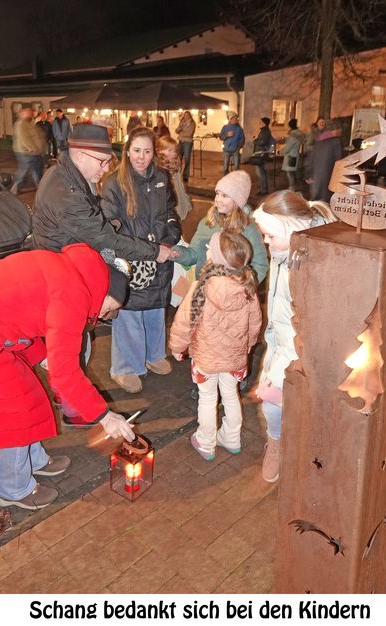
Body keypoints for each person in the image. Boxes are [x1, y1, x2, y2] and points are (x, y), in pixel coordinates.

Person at [0, 243, 135, 510]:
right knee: (16, 411)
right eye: (109, 308)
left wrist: (44, 355)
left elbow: (23, 310)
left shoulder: (73, 272)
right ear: (106, 291)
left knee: (29, 396)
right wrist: (105, 416)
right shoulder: (74, 294)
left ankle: (33, 460)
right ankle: (14, 489)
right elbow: (66, 376)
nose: (102, 316)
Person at [252, 191, 336, 482]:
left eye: (270, 235)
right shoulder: (284, 252)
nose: (266, 241)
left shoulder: (311, 265)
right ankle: (277, 441)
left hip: (301, 353)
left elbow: (306, 330)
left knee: (276, 403)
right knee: (274, 403)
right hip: (281, 346)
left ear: (295, 228)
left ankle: (284, 444)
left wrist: (278, 372)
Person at [101, 126, 182, 394]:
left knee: (156, 307)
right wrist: (132, 251)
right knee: (130, 311)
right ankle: (125, 367)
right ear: (127, 151)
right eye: (136, 150)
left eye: (147, 151)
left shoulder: (161, 177)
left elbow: (170, 211)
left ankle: (153, 354)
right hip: (131, 257)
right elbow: (109, 225)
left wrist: (170, 236)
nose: (141, 157)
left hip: (159, 254)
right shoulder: (114, 182)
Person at [169, 231, 262, 460]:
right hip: (235, 358)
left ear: (219, 258)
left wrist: (177, 347)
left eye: (211, 248)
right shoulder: (248, 287)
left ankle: (206, 441)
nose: (207, 249)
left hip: (206, 359)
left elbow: (185, 321)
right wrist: (248, 346)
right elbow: (255, 324)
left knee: (208, 398)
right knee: (231, 395)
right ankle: (231, 438)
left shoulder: (202, 286)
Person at [33, 123, 173, 264]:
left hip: (66, 257)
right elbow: (104, 240)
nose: (106, 169)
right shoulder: (65, 193)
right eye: (102, 161)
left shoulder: (64, 174)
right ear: (81, 156)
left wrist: (111, 224)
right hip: (61, 265)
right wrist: (155, 252)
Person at [173, 170, 268, 285]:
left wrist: (241, 287)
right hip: (205, 286)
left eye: (224, 196)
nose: (218, 199)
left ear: (238, 200)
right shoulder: (207, 223)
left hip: (233, 290)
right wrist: (177, 253)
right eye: (217, 194)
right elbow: (194, 254)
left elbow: (260, 265)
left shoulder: (249, 230)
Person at [11, 104, 46, 195]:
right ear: (22, 113)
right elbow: (24, 138)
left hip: (33, 152)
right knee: (27, 170)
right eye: (28, 112)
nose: (31, 114)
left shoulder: (29, 123)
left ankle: (40, 188)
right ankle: (16, 188)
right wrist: (32, 148)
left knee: (35, 170)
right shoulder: (21, 124)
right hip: (26, 152)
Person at [156, 135, 193, 221]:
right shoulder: (159, 169)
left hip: (178, 197)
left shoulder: (175, 166)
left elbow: (180, 185)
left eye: (174, 150)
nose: (174, 153)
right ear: (160, 151)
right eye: (169, 150)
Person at [310, 119, 344, 202]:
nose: (340, 131)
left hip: (316, 175)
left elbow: (311, 158)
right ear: (335, 130)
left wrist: (308, 174)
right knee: (326, 199)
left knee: (316, 199)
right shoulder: (336, 141)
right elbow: (339, 161)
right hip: (329, 174)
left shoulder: (319, 140)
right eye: (339, 129)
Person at [280, 118, 305, 191]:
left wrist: (281, 151)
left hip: (290, 156)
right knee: (292, 172)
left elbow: (288, 148)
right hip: (295, 155)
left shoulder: (293, 136)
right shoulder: (298, 134)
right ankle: (293, 186)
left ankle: (292, 187)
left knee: (290, 173)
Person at [219, 111, 245, 175]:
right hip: (226, 149)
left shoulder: (239, 128)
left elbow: (243, 138)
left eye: (237, 118)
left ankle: (235, 178)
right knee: (225, 167)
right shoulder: (225, 127)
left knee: (236, 167)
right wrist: (227, 135)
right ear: (230, 119)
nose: (237, 120)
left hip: (235, 150)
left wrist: (239, 147)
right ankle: (226, 178)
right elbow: (221, 137)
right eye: (235, 118)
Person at [252, 117, 273, 195]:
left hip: (261, 153)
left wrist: (255, 141)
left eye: (261, 122)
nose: (259, 124)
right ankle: (262, 188)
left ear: (264, 124)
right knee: (261, 172)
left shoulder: (265, 131)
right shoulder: (264, 131)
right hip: (260, 153)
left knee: (261, 172)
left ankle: (263, 190)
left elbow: (263, 142)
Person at [175, 110, 196, 182]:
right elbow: (176, 131)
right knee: (178, 158)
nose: (186, 117)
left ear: (190, 116)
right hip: (181, 142)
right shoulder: (182, 122)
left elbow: (190, 133)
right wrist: (180, 128)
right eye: (185, 115)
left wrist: (181, 132)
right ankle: (177, 173)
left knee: (187, 159)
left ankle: (185, 175)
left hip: (188, 143)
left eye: (187, 115)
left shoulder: (192, 123)